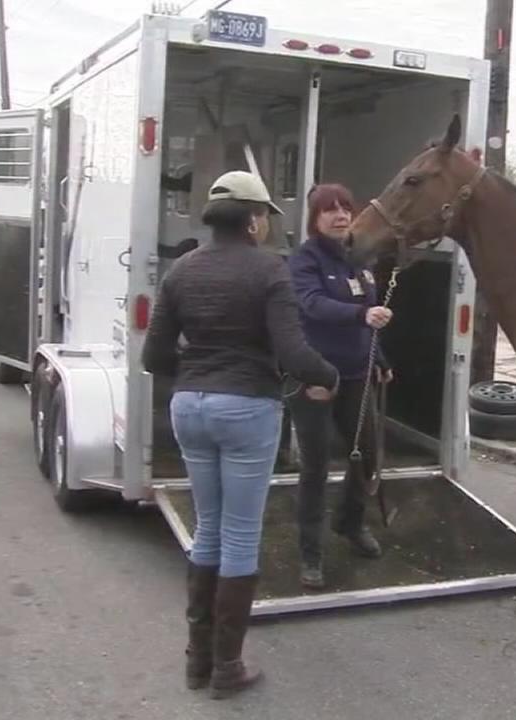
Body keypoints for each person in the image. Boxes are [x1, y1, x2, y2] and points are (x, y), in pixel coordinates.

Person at [143, 170, 339, 699]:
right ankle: (227, 667)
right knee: (239, 535)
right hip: (246, 407)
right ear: (254, 220)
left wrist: (199, 365)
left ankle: (197, 662)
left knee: (208, 528)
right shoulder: (269, 271)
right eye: (267, 217)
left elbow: (153, 357)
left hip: (190, 406)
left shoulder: (181, 270)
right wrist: (329, 376)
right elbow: (294, 353)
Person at [288, 183, 394, 590]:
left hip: (356, 376)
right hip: (314, 377)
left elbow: (371, 319)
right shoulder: (304, 260)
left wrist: (380, 358)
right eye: (329, 210)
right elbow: (311, 303)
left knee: (365, 455)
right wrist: (362, 314)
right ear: (315, 219)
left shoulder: (359, 259)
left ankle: (350, 524)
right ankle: (310, 555)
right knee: (316, 467)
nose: (340, 216)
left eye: (345, 209)